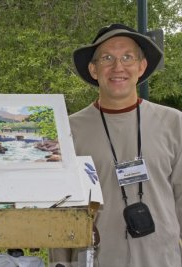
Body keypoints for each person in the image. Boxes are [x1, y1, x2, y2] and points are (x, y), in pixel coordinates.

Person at [50, 24, 182, 267]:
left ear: (141, 67)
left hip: (162, 259)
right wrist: (60, 263)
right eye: (107, 58)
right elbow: (60, 208)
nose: (118, 67)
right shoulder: (67, 130)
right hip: (95, 258)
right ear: (93, 69)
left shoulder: (173, 123)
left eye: (127, 57)